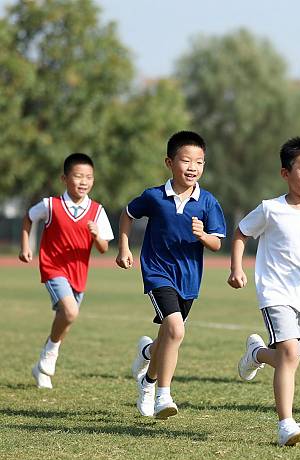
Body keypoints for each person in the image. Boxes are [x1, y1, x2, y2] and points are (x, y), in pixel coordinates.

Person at [228, 136, 300, 446]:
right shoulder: (271, 209)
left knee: (287, 359)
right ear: (285, 173)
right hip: (275, 292)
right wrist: (237, 268)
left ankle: (255, 354)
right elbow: (241, 232)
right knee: (291, 354)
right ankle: (286, 425)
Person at [116, 131, 226, 419]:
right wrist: (125, 248)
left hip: (189, 279)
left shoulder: (207, 202)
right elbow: (127, 214)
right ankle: (163, 395)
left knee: (168, 336)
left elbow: (217, 243)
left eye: (199, 162)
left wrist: (203, 235)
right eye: (186, 160)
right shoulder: (154, 196)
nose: (193, 167)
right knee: (176, 330)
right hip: (157, 272)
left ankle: (148, 374)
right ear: (169, 162)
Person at [19, 153, 114, 389]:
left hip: (78, 273)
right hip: (53, 267)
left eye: (89, 177)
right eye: (78, 176)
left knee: (66, 320)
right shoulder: (51, 205)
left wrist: (96, 235)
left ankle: (42, 364)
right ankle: (50, 354)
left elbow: (103, 248)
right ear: (64, 178)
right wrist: (25, 246)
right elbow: (29, 218)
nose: (83, 182)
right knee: (70, 312)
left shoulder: (97, 210)